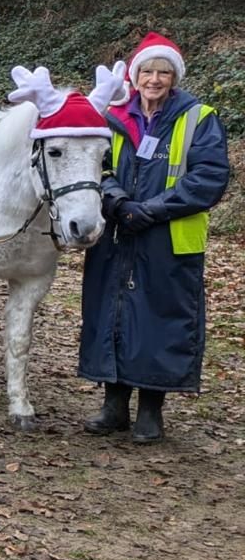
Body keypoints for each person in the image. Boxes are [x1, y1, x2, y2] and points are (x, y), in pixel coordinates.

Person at [80, 32, 229, 442]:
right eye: (148, 70)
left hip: (167, 237)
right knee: (111, 312)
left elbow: (208, 179)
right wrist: (118, 203)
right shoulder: (113, 116)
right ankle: (114, 405)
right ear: (136, 74)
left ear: (174, 77)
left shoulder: (198, 117)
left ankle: (151, 410)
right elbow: (96, 167)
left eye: (164, 72)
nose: (155, 79)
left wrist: (152, 210)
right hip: (116, 230)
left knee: (158, 319)